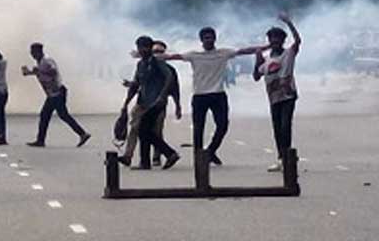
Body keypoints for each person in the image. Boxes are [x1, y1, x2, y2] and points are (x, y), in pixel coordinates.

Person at [164, 27, 259, 165]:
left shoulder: (223, 53)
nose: (209, 40)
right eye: (206, 38)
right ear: (201, 40)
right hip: (200, 96)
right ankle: (198, 157)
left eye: (211, 37)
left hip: (218, 95)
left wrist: (265, 47)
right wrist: (148, 55)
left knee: (223, 125)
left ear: (215, 38)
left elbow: (244, 51)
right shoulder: (194, 54)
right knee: (198, 128)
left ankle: (210, 151)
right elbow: (173, 57)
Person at [121, 36, 180, 169]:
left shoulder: (158, 62)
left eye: (145, 47)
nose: (142, 50)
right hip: (142, 102)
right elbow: (137, 83)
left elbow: (170, 78)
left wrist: (164, 97)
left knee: (147, 131)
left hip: (155, 104)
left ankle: (161, 156)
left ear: (150, 48)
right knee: (138, 129)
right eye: (140, 47)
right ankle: (133, 158)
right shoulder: (141, 64)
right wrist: (125, 103)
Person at [253, 13, 300, 172]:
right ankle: (282, 157)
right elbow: (256, 76)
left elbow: (298, 41)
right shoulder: (266, 60)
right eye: (272, 38)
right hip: (273, 98)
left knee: (285, 126)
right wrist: (257, 59)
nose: (275, 41)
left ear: (282, 40)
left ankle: (287, 156)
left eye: (278, 38)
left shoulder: (288, 54)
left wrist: (289, 23)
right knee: (277, 129)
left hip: (288, 95)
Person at [21, 43, 90, 148]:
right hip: (52, 94)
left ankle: (82, 134)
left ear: (39, 51)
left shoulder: (47, 61)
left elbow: (53, 71)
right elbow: (42, 74)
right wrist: (29, 72)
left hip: (57, 92)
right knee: (49, 115)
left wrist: (39, 71)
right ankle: (41, 140)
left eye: (33, 52)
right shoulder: (40, 63)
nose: (32, 54)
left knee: (56, 115)